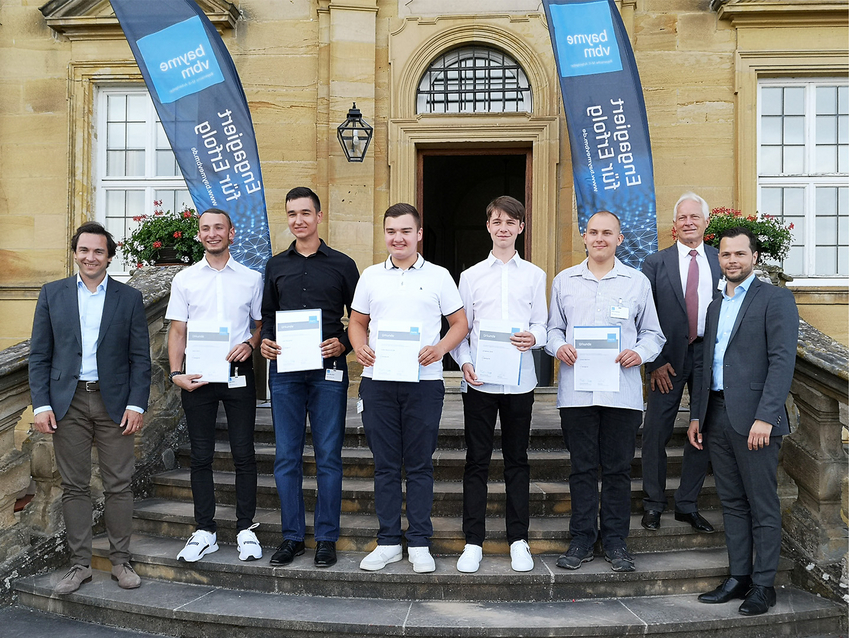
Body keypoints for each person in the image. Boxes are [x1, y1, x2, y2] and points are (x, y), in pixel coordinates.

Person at [29, 222, 151, 594]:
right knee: (75, 486)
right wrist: (41, 405)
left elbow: (140, 359)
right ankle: (79, 564)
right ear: (75, 253)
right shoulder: (53, 294)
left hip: (114, 402)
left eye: (98, 251)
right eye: (84, 250)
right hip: (68, 403)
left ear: (109, 257)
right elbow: (39, 355)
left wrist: (135, 403)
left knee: (118, 484)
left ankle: (120, 561)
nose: (90, 257)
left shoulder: (128, 298)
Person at [349, 203, 467, 573]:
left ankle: (418, 541)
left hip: (424, 383)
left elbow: (460, 323)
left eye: (405, 231)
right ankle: (387, 542)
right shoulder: (370, 276)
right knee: (385, 466)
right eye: (390, 231)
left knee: (418, 466)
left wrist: (441, 349)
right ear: (384, 234)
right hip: (379, 382)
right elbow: (357, 322)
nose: (397, 238)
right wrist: (359, 345)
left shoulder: (439, 276)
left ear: (418, 234)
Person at [545, 211, 665, 573]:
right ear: (584, 236)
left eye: (607, 233)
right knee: (581, 469)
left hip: (621, 395)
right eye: (593, 232)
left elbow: (654, 334)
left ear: (619, 239)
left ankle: (615, 542)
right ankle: (581, 539)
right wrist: (558, 347)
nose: (600, 238)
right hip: (577, 394)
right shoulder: (565, 281)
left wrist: (639, 353)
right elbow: (552, 329)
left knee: (616, 470)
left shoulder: (637, 282)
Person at [689, 226, 798, 616]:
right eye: (725, 255)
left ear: (753, 257)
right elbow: (706, 364)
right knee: (732, 502)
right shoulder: (716, 305)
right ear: (718, 259)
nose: (732, 260)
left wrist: (766, 417)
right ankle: (739, 577)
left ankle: (764, 585)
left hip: (755, 420)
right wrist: (697, 415)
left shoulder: (775, 299)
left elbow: (783, 361)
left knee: (762, 503)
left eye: (739, 254)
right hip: (716, 415)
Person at [260, 187, 359, 568]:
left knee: (328, 456)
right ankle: (291, 537)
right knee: (286, 456)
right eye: (291, 214)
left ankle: (326, 539)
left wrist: (344, 346)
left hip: (327, 371)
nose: (298, 220)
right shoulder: (275, 266)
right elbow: (268, 315)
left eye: (305, 212)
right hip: (284, 371)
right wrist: (266, 341)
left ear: (319, 217)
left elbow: (361, 319)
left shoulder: (343, 265)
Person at [450, 196, 547, 574]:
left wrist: (533, 338)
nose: (503, 227)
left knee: (517, 461)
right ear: (488, 226)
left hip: (520, 383)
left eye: (511, 221)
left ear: (521, 227)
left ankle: (518, 540)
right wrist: (466, 363)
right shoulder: (471, 275)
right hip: (481, 382)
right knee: (476, 462)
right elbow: (461, 330)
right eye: (497, 221)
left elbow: (542, 323)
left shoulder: (535, 275)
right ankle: (472, 541)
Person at [166, 208, 263, 563]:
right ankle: (204, 530)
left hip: (238, 373)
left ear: (231, 233)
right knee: (201, 455)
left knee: (243, 452)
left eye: (218, 228)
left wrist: (251, 344)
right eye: (205, 228)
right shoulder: (185, 279)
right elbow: (178, 330)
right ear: (199, 235)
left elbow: (260, 324)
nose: (212, 233)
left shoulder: (252, 278)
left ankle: (245, 529)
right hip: (198, 377)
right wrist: (176, 373)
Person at [640, 193, 721, 533]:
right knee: (655, 433)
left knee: (701, 431)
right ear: (673, 226)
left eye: (695, 216)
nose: (689, 222)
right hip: (666, 358)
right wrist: (654, 361)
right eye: (682, 217)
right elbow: (641, 317)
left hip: (709, 356)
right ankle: (653, 504)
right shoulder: (654, 264)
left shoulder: (723, 260)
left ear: (705, 222)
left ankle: (687, 504)